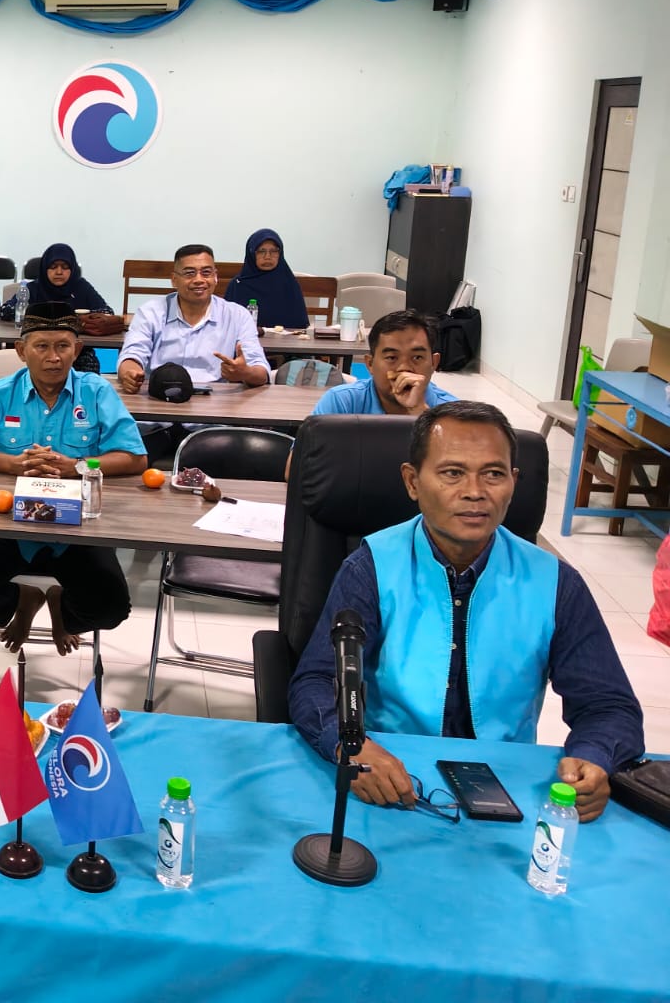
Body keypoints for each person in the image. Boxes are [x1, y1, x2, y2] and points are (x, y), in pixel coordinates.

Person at [289, 401, 643, 822]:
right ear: (412, 481)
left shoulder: (555, 583)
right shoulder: (371, 568)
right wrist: (350, 747)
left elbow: (608, 705)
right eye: (453, 473)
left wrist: (594, 757)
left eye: (493, 474)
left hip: (507, 784)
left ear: (513, 482)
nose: (475, 492)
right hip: (392, 777)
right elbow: (315, 681)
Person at [0, 312, 148, 654]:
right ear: (21, 351)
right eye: (42, 347)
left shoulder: (96, 392)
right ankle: (23, 600)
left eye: (63, 346)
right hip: (9, 527)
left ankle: (60, 607)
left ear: (76, 349)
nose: (54, 357)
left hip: (77, 529)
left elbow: (135, 457)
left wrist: (77, 466)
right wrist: (13, 464)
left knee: (110, 608)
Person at [117, 244, 269, 392]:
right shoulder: (150, 312)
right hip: (160, 395)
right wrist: (130, 373)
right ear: (174, 279)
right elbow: (132, 354)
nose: (199, 280)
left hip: (214, 400)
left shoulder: (237, 315)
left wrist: (245, 373)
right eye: (189, 273)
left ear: (215, 277)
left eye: (206, 273)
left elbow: (261, 369)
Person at [312, 310, 458, 416]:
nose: (404, 368)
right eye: (392, 358)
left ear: (434, 363)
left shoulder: (452, 414)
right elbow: (307, 451)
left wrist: (419, 410)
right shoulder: (341, 403)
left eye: (417, 357)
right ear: (370, 364)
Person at [224, 229, 309, 329]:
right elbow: (226, 324)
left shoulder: (289, 283)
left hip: (283, 338)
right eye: (261, 251)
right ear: (251, 253)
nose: (268, 257)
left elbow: (299, 324)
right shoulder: (238, 284)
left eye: (274, 251)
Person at [25, 243, 114, 314]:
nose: (59, 272)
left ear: (72, 269)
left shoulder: (82, 286)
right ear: (44, 268)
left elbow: (107, 311)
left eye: (65, 267)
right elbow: (16, 312)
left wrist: (85, 316)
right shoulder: (32, 289)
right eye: (53, 267)